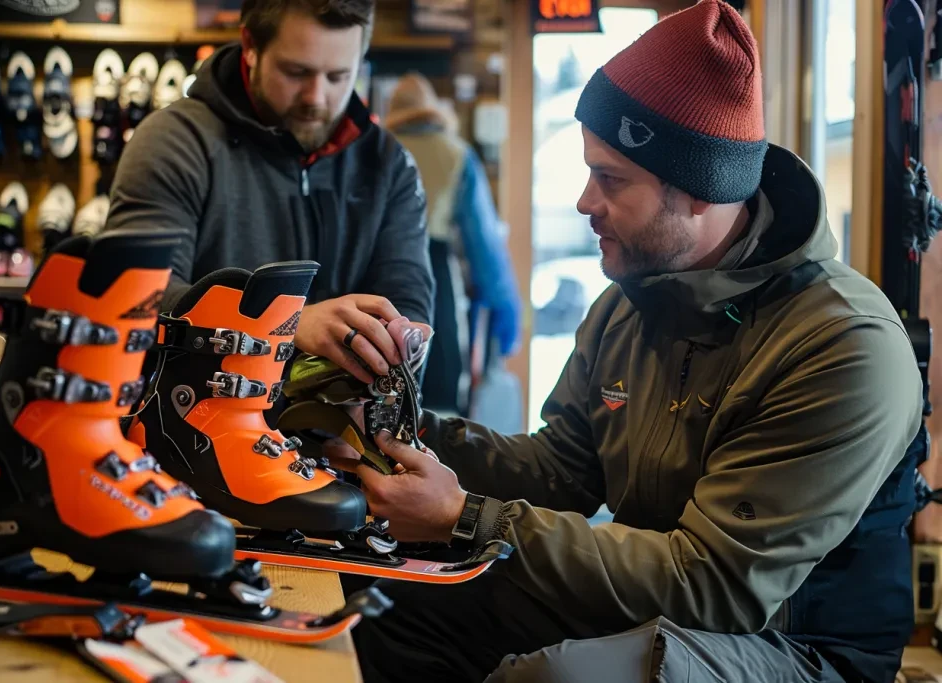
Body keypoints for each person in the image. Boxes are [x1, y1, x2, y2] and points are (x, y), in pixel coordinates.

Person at [326, 2, 924, 681]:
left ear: (700, 189)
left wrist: (467, 519)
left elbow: (715, 586)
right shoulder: (630, 302)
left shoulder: (841, 345)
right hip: (666, 601)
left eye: (610, 178)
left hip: (795, 646)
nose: (585, 201)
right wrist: (397, 426)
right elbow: (563, 472)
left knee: (556, 679)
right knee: (384, 601)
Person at [105, 0, 434, 384]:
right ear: (250, 45)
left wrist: (390, 370)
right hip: (190, 428)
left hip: (339, 434)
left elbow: (407, 302)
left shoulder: (389, 165)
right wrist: (281, 326)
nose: (316, 97)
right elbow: (137, 299)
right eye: (296, 72)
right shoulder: (175, 142)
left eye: (338, 76)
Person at [383, 73, 522, 417]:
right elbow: (485, 249)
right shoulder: (456, 154)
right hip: (435, 273)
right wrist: (507, 327)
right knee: (438, 399)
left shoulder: (377, 149)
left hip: (381, 268)